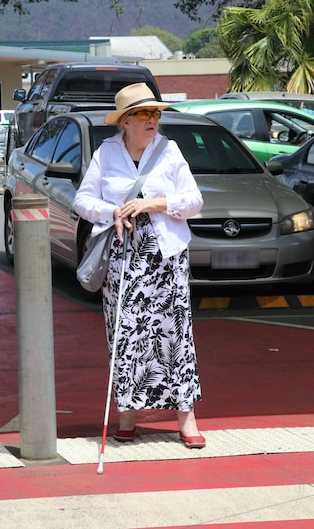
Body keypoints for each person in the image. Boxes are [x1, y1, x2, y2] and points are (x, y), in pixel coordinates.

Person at [71, 83, 206, 449]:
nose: (152, 121)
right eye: (144, 114)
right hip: (122, 259)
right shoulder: (106, 152)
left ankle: (186, 417)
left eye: (156, 114)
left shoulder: (170, 151)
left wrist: (155, 204)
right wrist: (111, 211)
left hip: (166, 258)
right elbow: (83, 200)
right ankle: (127, 415)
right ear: (126, 121)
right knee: (125, 337)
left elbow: (194, 200)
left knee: (174, 336)